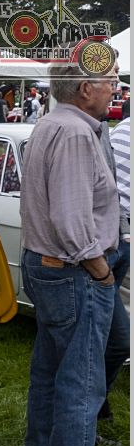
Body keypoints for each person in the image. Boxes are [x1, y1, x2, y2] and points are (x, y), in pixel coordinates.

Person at [17, 62, 127, 446]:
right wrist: (99, 268)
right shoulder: (78, 133)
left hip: (49, 264)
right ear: (86, 88)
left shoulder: (54, 122)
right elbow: (71, 217)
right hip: (72, 267)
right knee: (81, 381)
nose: (116, 88)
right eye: (110, 81)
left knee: (51, 369)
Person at [98, 105, 131, 426]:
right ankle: (93, 406)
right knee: (107, 336)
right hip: (110, 241)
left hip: (121, 236)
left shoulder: (115, 131)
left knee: (117, 337)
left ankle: (97, 402)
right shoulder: (118, 132)